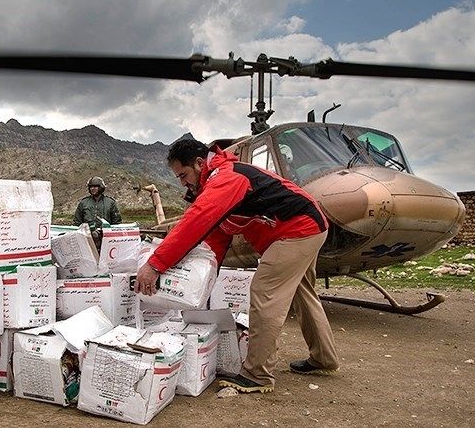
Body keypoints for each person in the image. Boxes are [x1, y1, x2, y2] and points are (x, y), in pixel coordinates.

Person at [134, 138, 338, 394]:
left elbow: (197, 220)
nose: (182, 182)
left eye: (183, 175)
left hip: (297, 229)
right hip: (307, 227)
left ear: (199, 163)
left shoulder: (226, 178)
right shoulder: (216, 182)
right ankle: (324, 357)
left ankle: (257, 374)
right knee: (303, 293)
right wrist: (204, 281)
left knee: (265, 293)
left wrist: (155, 265)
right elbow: (216, 239)